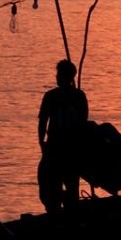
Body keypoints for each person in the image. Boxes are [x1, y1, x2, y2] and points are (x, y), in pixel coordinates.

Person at [37, 59, 89, 215]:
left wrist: (42, 144)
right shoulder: (79, 96)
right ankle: (66, 209)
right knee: (63, 186)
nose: (57, 77)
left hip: (62, 149)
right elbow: (82, 124)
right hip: (64, 149)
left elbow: (42, 124)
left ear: (67, 76)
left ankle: (62, 211)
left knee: (54, 186)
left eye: (59, 74)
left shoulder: (52, 96)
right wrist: (43, 144)